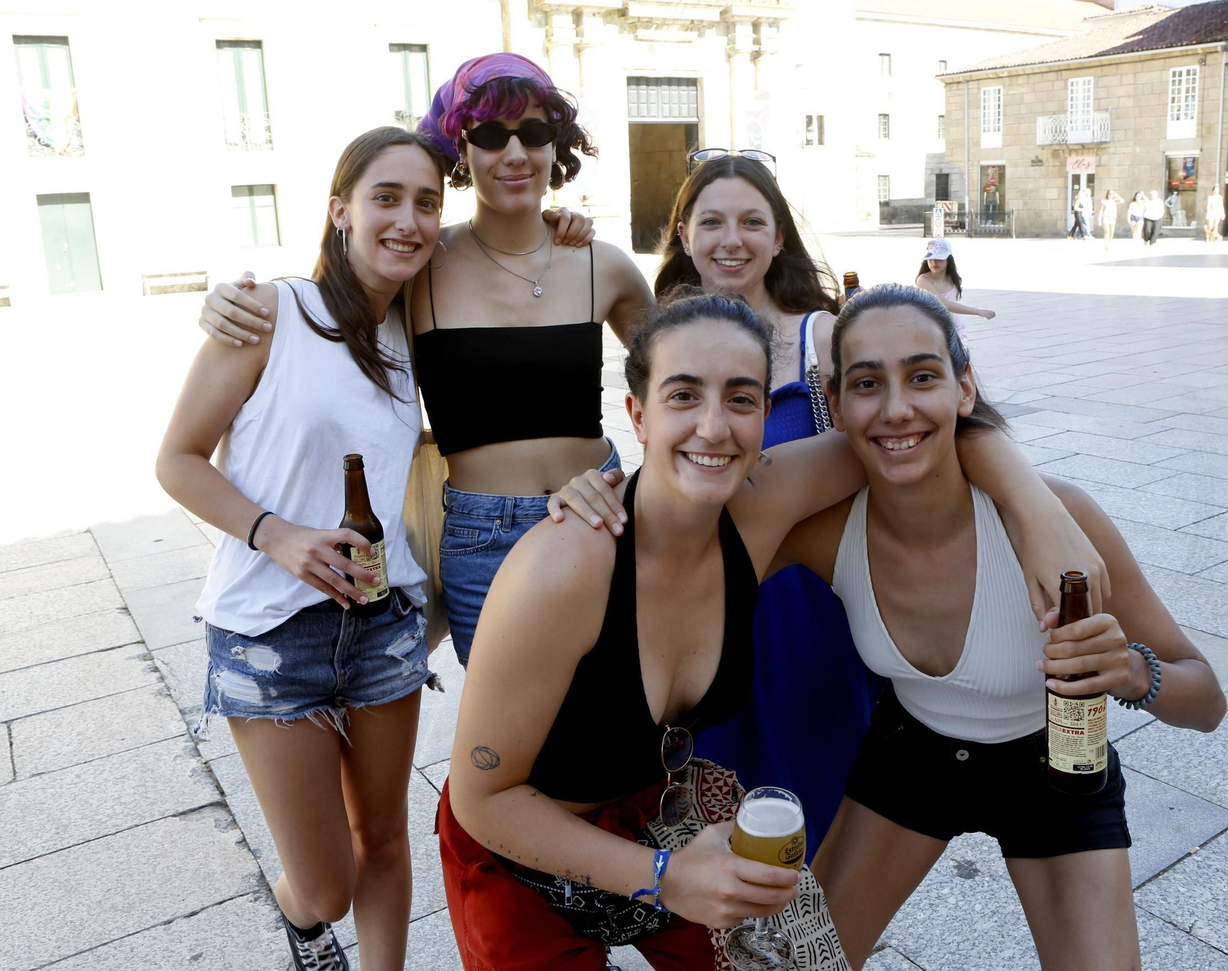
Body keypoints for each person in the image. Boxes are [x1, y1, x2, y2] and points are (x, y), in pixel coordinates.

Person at [452, 288, 1111, 970]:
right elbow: (483, 798)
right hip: (520, 848)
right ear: (636, 415)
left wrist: (1038, 509)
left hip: (657, 815)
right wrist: (663, 876)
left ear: (767, 415)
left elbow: (908, 429)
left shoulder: (764, 501)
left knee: (796, 964)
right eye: (683, 396)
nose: (713, 427)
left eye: (740, 398)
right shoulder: (565, 568)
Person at [768, 284, 1228, 970]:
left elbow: (1208, 701)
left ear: (963, 387)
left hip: (1058, 768)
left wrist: (1134, 673)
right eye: (867, 384)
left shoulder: (1056, 518)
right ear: (836, 406)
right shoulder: (827, 530)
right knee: (801, 964)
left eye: (922, 377)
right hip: (912, 753)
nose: (896, 408)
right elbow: (698, 537)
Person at [195, 53, 656, 667]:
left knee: (618, 714)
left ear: (557, 144)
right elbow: (329, 308)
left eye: (535, 131)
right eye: (491, 135)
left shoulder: (608, 265)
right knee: (512, 743)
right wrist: (229, 301)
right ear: (461, 150)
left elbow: (674, 383)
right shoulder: (421, 263)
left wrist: (646, 492)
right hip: (482, 536)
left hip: (601, 514)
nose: (515, 152)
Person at [157, 126, 454, 971]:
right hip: (270, 632)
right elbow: (175, 459)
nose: (408, 219)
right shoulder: (270, 312)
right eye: (385, 198)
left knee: (386, 845)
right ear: (339, 210)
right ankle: (300, 919)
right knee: (326, 885)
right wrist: (276, 535)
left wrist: (567, 227)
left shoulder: (415, 334)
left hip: (382, 621)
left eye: (426, 202)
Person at [639, 151, 871, 856]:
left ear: (778, 238)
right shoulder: (668, 336)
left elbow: (879, 455)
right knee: (717, 815)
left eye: (750, 221)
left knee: (821, 808)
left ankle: (821, 950)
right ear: (684, 236)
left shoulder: (821, 336)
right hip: (704, 604)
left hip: (809, 606)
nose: (730, 239)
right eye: (711, 221)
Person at [915, 237, 994, 348]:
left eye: (939, 258)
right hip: (936, 332)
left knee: (963, 364)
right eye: (930, 258)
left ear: (948, 259)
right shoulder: (923, 280)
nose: (934, 262)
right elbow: (944, 304)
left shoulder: (954, 280)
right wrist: (978, 312)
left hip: (958, 332)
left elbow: (952, 303)